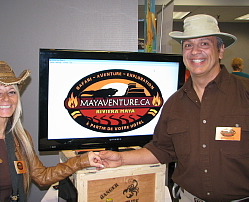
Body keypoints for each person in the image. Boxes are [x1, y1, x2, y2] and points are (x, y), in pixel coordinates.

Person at [99, 14, 249, 202]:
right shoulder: (174, 103)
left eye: (204, 44)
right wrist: (121, 159)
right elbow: (161, 149)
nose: (195, 51)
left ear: (220, 51)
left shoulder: (245, 93)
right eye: (188, 45)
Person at [0, 61, 103, 202]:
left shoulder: (20, 138)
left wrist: (83, 160)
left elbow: (42, 176)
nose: (6, 99)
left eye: (11, 92)